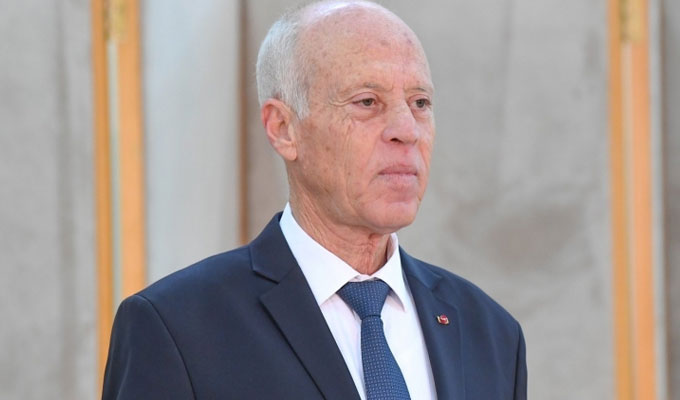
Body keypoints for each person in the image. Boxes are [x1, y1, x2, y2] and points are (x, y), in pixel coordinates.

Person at [102, 1, 527, 399]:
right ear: (283, 128)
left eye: (420, 103)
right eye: (367, 102)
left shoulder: (491, 334)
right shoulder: (177, 329)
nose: (406, 129)